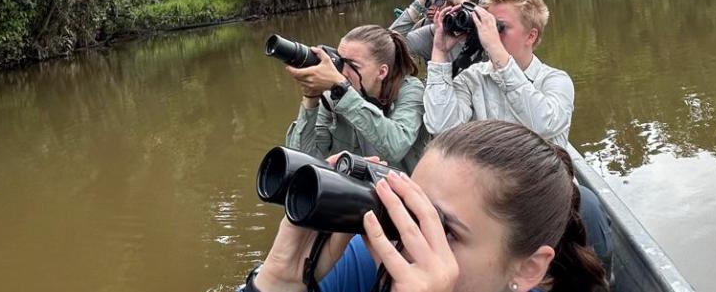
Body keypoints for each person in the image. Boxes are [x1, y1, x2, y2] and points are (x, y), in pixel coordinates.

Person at [244, 120, 608, 292]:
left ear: (527, 269)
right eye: (408, 205)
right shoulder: (366, 257)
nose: (406, 236)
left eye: (444, 229)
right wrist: (279, 282)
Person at [423, 0, 574, 148]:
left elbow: (543, 125)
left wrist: (496, 50)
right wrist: (440, 52)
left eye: (499, 26)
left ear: (531, 36)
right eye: (487, 24)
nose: (489, 33)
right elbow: (442, 128)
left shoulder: (556, 81)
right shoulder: (472, 78)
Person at [285, 25, 429, 174]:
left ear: (381, 71)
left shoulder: (411, 91)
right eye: (341, 62)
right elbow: (301, 163)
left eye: (353, 66)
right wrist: (311, 98)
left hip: (402, 191)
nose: (343, 73)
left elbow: (395, 147)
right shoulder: (333, 98)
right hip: (356, 192)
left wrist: (342, 90)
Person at [389, 0, 487, 63]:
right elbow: (387, 47)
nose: (455, 9)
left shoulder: (491, 32)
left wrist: (463, 4)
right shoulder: (436, 34)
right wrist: (416, 7)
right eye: (448, 1)